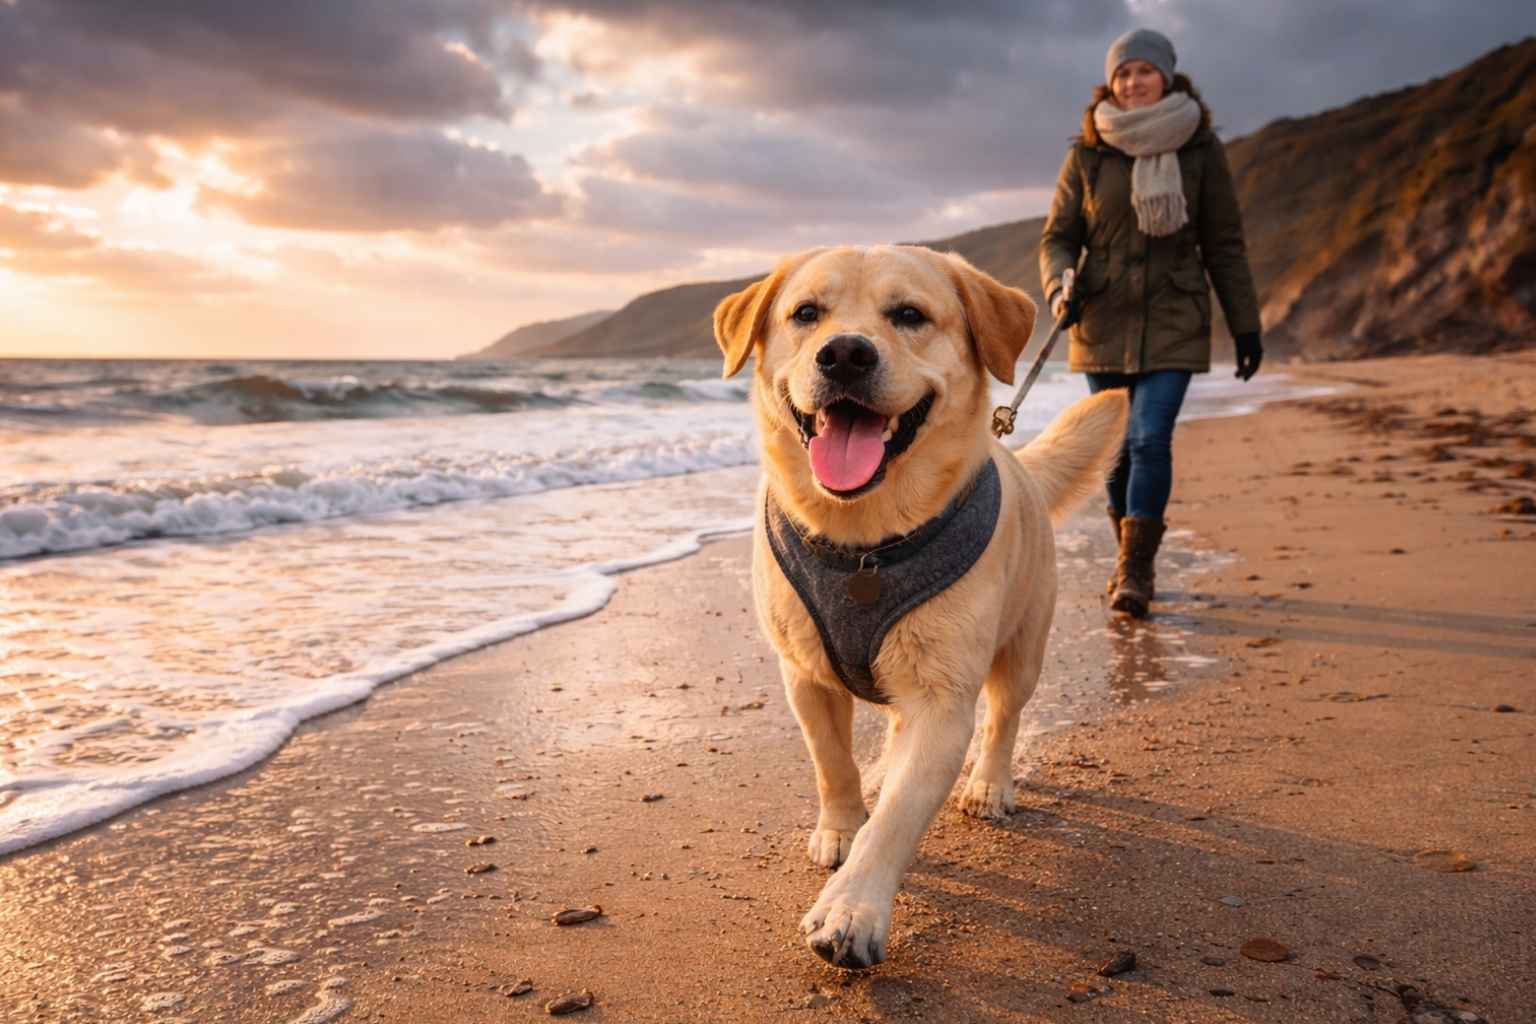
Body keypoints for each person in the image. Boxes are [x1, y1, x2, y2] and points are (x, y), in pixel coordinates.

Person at [1039, 27, 1262, 619]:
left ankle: (1136, 570)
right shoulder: (1087, 155)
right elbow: (1058, 238)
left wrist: (1246, 326)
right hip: (1102, 319)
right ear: (1109, 83)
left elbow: (1224, 244)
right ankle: (1127, 554)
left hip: (1175, 316)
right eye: (1122, 73)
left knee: (1148, 437)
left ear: (1166, 76)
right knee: (1115, 449)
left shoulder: (1201, 150)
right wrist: (1059, 285)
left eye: (1144, 71)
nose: (1133, 82)